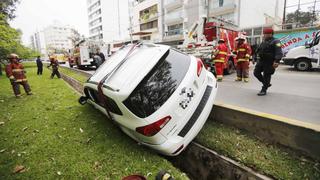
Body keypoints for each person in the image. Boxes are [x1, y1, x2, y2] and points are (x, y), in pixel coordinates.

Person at [254, 28, 283, 96]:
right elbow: (258, 50)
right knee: (256, 73)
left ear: (271, 34)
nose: (265, 35)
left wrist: (277, 61)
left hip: (269, 62)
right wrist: (255, 57)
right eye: (264, 34)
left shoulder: (276, 41)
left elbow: (279, 52)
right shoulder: (263, 41)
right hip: (261, 61)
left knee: (267, 75)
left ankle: (264, 89)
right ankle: (266, 83)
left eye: (266, 34)